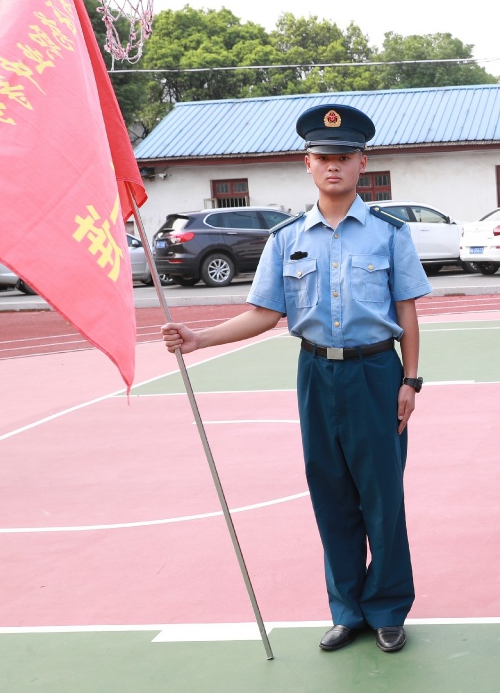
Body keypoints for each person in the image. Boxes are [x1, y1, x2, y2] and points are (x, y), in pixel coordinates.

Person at [160, 104, 429, 654]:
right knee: (330, 496)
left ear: (362, 163)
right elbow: (264, 313)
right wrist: (199, 338)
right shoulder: (285, 239)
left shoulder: (388, 234)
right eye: (323, 157)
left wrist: (410, 381)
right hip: (315, 374)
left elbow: (407, 315)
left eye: (344, 156)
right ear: (307, 163)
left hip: (377, 373)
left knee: (382, 498)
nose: (334, 166)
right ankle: (346, 609)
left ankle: (387, 608)